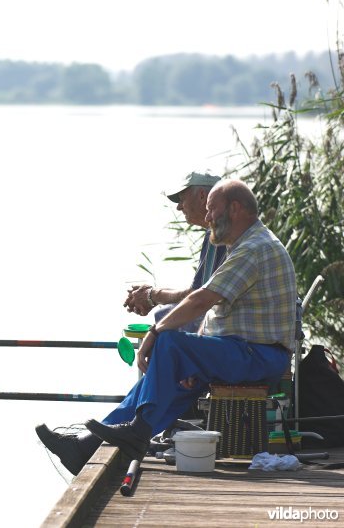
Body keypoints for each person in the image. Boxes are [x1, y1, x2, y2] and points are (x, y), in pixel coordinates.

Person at [37, 180, 296, 475]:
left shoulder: (254, 248)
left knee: (170, 342)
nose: (207, 217)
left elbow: (202, 299)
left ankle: (136, 432)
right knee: (166, 376)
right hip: (243, 353)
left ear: (235, 209)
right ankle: (89, 445)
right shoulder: (244, 246)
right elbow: (214, 313)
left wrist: (155, 332)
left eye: (212, 210)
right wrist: (193, 358)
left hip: (261, 357)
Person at [124, 171, 227, 332]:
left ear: (201, 196)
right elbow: (197, 292)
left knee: (165, 318)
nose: (179, 207)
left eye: (182, 199)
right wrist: (152, 296)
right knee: (167, 315)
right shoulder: (217, 230)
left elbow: (197, 296)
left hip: (237, 336)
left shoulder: (222, 231)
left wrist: (153, 295)